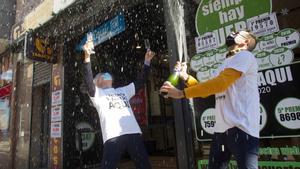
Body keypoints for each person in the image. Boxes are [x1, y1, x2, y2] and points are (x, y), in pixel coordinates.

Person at [160, 30, 260, 169]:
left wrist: (181, 93)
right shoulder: (225, 63)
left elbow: (220, 84)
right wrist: (186, 77)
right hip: (221, 130)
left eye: (237, 32)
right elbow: (207, 90)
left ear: (246, 42)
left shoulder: (245, 56)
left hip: (242, 127)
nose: (232, 33)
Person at [82, 38, 154, 169]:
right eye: (102, 75)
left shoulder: (123, 90)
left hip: (133, 132)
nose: (106, 75)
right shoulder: (98, 95)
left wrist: (147, 62)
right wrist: (87, 57)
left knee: (144, 165)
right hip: (113, 135)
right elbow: (88, 81)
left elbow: (140, 81)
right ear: (98, 82)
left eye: (106, 74)